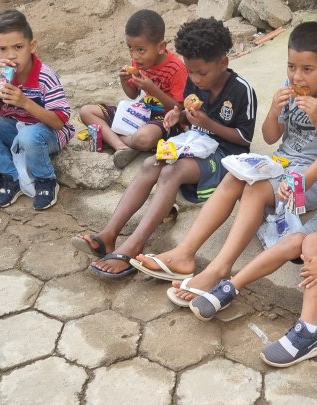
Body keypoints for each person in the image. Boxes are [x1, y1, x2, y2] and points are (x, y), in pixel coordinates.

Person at [130, 21, 317, 304]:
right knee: (235, 176)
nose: (296, 76)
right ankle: (184, 253)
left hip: (314, 177)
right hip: (281, 162)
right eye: (291, 67)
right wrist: (274, 110)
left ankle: (220, 268)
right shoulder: (288, 88)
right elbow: (270, 137)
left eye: (307, 69)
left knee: (255, 188)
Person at [187, 84, 317, 368]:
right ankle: (232, 286)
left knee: (311, 242)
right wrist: (288, 187)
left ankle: (309, 330)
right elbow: (306, 180)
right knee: (291, 241)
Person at [72, 18, 257, 277]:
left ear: (223, 63)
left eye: (202, 73)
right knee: (152, 163)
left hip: (224, 155)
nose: (195, 79)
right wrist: (177, 114)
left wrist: (208, 124)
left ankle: (134, 245)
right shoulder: (195, 81)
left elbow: (244, 139)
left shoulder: (241, 91)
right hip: (194, 143)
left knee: (172, 171)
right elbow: (183, 110)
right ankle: (109, 235)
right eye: (191, 72)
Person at [0, 9, 75, 210]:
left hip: (48, 134)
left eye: (18, 47)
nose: (11, 55)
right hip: (17, 131)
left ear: (32, 46)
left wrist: (25, 102)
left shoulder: (44, 76)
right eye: (2, 49)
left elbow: (59, 122)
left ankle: (45, 180)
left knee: (29, 135)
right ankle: (11, 176)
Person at [77, 9, 188, 168]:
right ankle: (121, 147)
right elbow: (133, 94)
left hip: (164, 118)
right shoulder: (139, 62)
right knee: (86, 111)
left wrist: (152, 89)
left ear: (161, 47)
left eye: (141, 50)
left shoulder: (176, 68)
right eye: (130, 48)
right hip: (140, 111)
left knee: (144, 138)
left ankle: (115, 137)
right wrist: (125, 81)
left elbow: (179, 108)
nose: (134, 56)